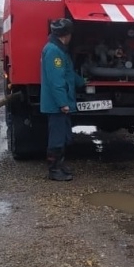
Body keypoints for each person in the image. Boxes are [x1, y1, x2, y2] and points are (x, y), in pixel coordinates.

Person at [40, 18, 87, 181]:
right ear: (66, 35)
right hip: (56, 105)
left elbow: (68, 74)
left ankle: (60, 165)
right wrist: (63, 103)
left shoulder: (60, 50)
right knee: (57, 137)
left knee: (64, 135)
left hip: (60, 103)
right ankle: (54, 170)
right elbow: (56, 81)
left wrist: (83, 82)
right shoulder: (54, 51)